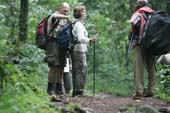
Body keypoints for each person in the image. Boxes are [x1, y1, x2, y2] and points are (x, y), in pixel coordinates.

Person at [129, 0, 156, 99]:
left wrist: (134, 39)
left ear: (140, 4)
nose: (136, 4)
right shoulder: (153, 14)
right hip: (152, 44)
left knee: (139, 67)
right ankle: (151, 90)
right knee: (151, 67)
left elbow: (134, 25)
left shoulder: (138, 13)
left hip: (140, 44)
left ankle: (139, 91)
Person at [45, 2, 70, 95]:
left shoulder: (64, 19)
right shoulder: (54, 16)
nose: (66, 12)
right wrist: (66, 18)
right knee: (53, 66)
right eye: (65, 10)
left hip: (62, 46)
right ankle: (49, 90)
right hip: (53, 44)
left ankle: (59, 89)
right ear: (60, 8)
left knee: (61, 67)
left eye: (67, 11)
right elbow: (54, 16)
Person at [71, 5, 96, 97]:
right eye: (84, 12)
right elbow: (80, 38)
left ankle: (78, 91)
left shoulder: (76, 24)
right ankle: (78, 92)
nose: (85, 14)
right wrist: (90, 40)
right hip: (79, 50)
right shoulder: (79, 25)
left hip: (79, 49)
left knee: (79, 69)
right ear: (80, 14)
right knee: (81, 70)